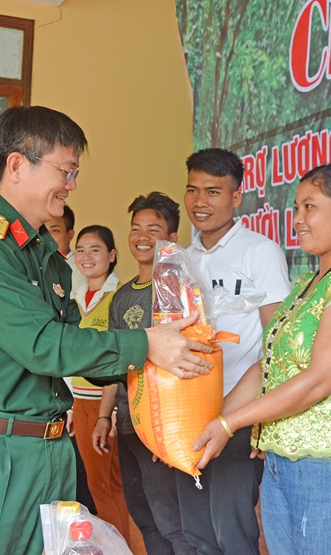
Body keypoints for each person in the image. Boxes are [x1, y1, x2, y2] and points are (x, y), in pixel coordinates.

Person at [0, 105, 213, 555]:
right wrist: (146, 345)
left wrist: (170, 358)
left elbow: (79, 355)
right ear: (18, 165)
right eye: (66, 170)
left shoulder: (43, 253)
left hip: (50, 451)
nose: (72, 184)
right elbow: (45, 346)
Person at [193, 163, 331, 555]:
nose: (297, 220)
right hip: (280, 460)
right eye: (295, 208)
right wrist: (210, 422)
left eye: (309, 207)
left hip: (330, 465)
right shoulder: (305, 284)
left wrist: (229, 422)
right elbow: (263, 368)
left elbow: (319, 379)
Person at [177, 148, 292, 555]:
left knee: (233, 533)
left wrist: (246, 418)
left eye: (213, 191)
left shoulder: (260, 252)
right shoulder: (182, 260)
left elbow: (278, 343)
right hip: (188, 417)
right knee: (195, 533)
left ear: (237, 196)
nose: (199, 202)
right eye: (192, 190)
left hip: (236, 418)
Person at [96, 192, 196, 555]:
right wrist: (104, 416)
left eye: (153, 229)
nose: (142, 236)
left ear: (171, 238)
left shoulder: (176, 293)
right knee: (145, 518)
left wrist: (164, 432)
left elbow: (184, 363)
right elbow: (112, 364)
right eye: (136, 228)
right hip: (127, 424)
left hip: (159, 427)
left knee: (174, 524)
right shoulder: (122, 297)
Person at [70, 225, 131, 545]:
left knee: (110, 486)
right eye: (80, 249)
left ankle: (123, 548)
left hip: (107, 404)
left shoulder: (120, 297)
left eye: (95, 249)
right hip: (79, 403)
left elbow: (116, 358)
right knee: (96, 485)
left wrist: (108, 414)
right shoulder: (75, 296)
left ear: (112, 255)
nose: (86, 256)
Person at [45, 206, 96, 516]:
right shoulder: (43, 269)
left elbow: (73, 343)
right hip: (61, 395)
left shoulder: (77, 273)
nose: (86, 257)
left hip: (81, 395)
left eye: (54, 230)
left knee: (88, 485)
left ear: (68, 233)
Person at [46, 204, 84, 296]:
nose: (47, 237)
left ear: (70, 235)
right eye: (43, 231)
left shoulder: (82, 270)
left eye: (55, 230)